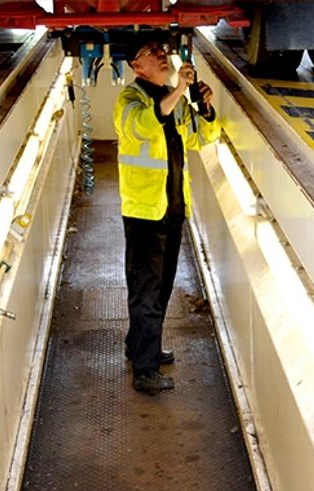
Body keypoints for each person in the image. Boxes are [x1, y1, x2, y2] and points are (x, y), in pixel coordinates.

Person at [114, 37, 221, 395]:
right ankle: (145, 371)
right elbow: (143, 124)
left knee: (159, 288)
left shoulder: (173, 103)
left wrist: (204, 106)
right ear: (135, 66)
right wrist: (178, 90)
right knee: (146, 291)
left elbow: (201, 137)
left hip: (172, 209)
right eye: (152, 53)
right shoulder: (129, 101)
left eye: (162, 51)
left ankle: (140, 345)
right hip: (145, 213)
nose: (162, 56)